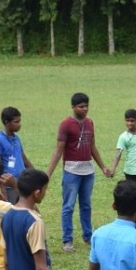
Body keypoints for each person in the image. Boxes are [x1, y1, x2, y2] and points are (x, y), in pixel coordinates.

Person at [45, 92, 112, 253]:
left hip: (88, 170)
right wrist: (47, 174)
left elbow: (92, 147)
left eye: (86, 106)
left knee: (86, 205)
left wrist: (103, 166)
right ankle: (67, 239)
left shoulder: (90, 123)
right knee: (68, 205)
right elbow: (58, 150)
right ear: (73, 107)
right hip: (71, 171)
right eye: (81, 107)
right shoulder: (66, 124)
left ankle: (88, 236)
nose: (85, 109)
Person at [0, 106, 34, 204]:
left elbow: (24, 159)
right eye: (16, 122)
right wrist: (3, 190)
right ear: (6, 122)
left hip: (21, 183)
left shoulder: (16, 138)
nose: (19, 124)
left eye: (19, 121)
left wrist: (37, 176)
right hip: (9, 186)